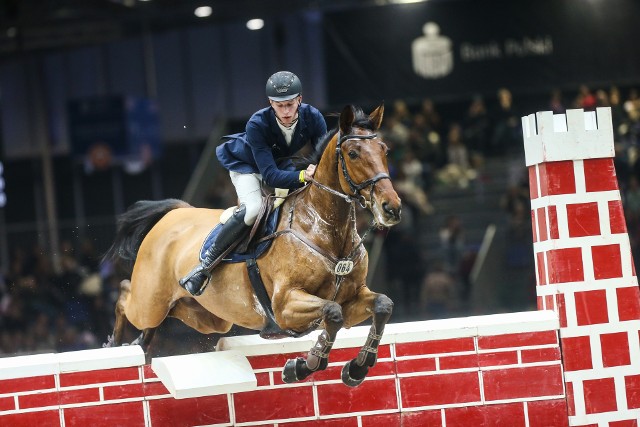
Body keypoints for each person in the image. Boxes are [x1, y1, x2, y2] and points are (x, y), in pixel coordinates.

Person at [179, 71, 328, 295]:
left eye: (290, 104)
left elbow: (323, 160)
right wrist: (302, 176)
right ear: (270, 103)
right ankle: (205, 266)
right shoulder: (258, 123)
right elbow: (270, 176)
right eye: (279, 106)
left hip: (279, 164)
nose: (286, 111)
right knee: (254, 209)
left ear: (300, 99)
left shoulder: (314, 117)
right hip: (247, 165)